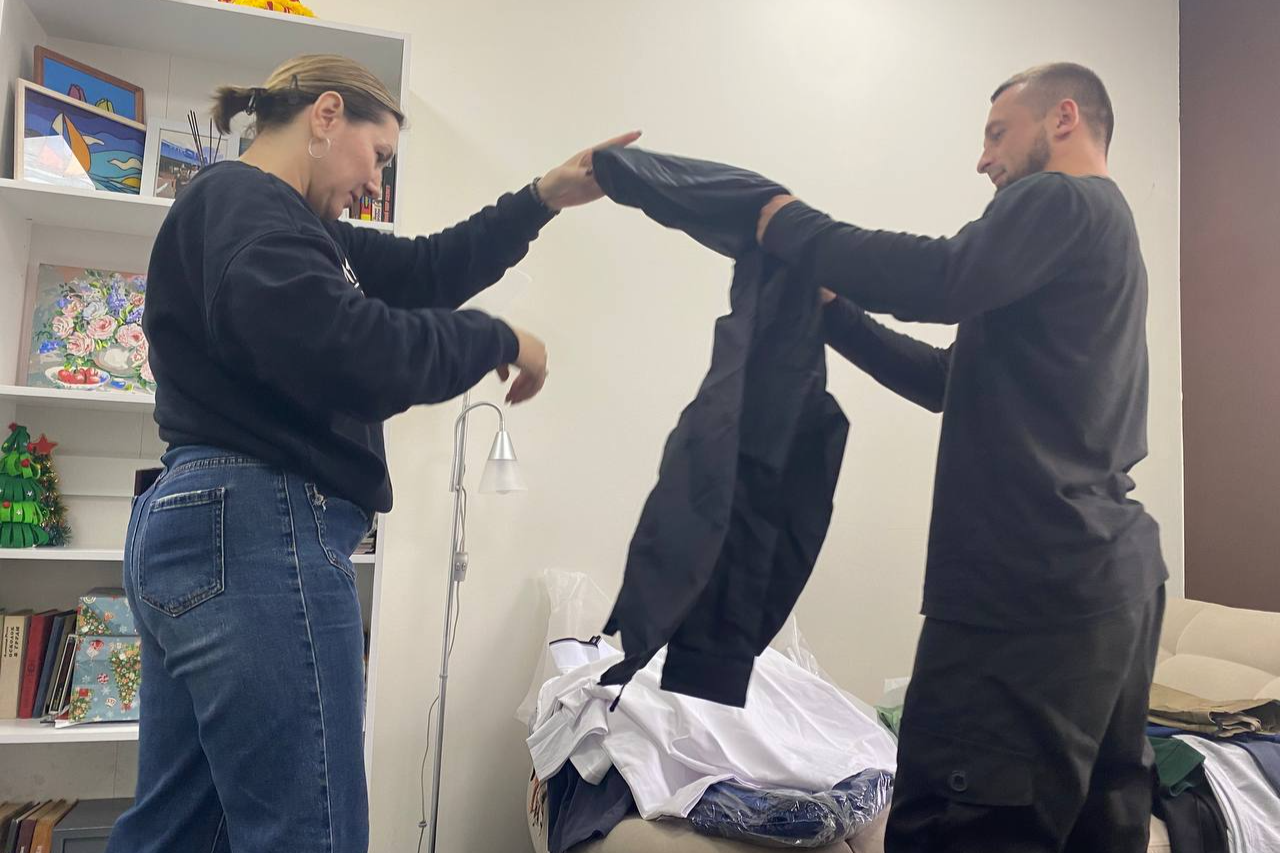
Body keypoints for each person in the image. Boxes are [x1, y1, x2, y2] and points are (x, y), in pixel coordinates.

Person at [106, 53, 638, 853]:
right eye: (379, 154)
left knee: (180, 829)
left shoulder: (293, 230)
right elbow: (349, 350)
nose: (373, 179)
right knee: (307, 835)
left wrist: (543, 197)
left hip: (208, 522)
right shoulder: (247, 203)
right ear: (327, 115)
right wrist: (496, 337)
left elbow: (425, 268)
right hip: (257, 523)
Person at [755, 63, 1166, 852]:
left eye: (997, 133)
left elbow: (943, 276)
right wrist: (835, 312)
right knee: (1094, 829)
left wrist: (795, 229)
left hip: (1028, 586)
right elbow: (949, 378)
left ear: (1064, 119)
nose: (983, 159)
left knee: (957, 829)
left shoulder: (1061, 198)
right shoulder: (1103, 240)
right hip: (1108, 580)